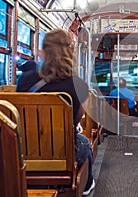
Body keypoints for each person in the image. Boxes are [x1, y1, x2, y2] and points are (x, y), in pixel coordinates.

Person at [16, 29, 95, 196]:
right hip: (63, 153)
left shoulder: (25, 80)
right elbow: (76, 120)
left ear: (43, 53)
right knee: (84, 143)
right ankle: (86, 185)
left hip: (23, 152)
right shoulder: (79, 85)